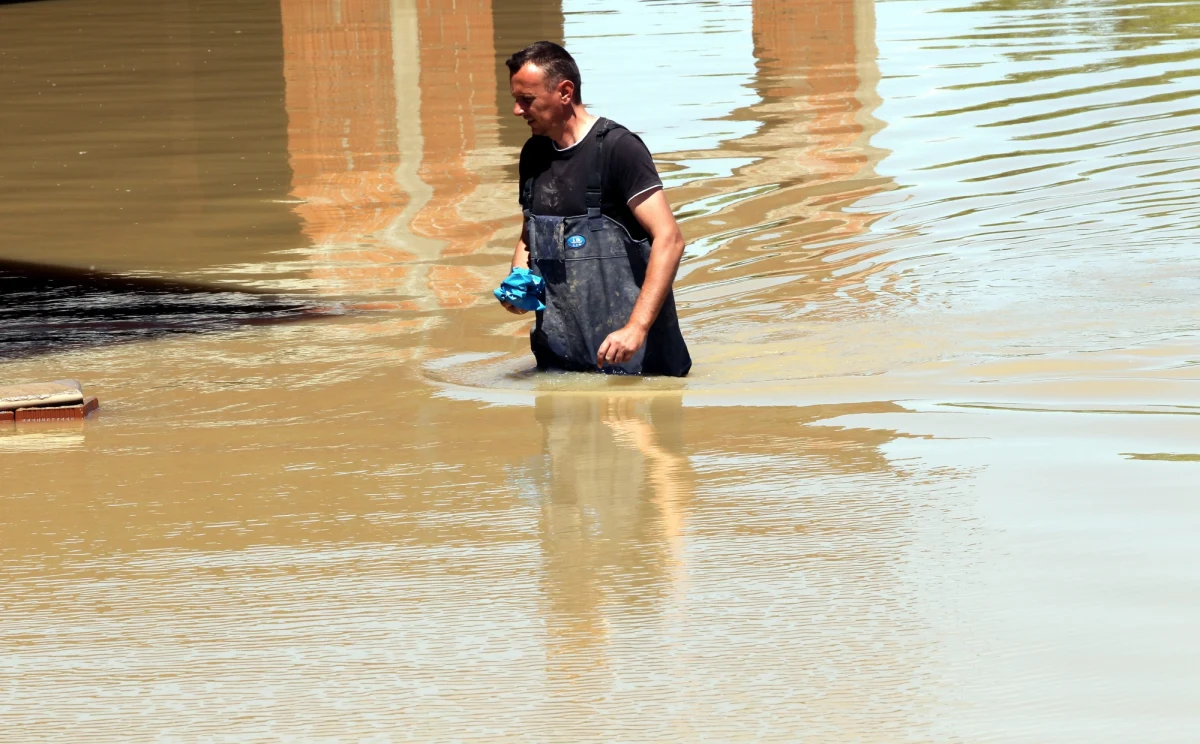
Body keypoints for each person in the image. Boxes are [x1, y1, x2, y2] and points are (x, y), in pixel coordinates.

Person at [501, 41, 691, 377]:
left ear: (564, 91)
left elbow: (670, 239)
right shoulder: (533, 155)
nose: (517, 110)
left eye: (526, 100)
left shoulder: (619, 149)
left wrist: (636, 328)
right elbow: (529, 235)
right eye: (516, 100)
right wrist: (520, 282)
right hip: (561, 364)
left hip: (639, 367)